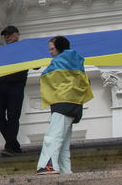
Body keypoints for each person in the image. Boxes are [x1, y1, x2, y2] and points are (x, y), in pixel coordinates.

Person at [36, 36, 93, 175]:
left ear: (59, 47)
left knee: (53, 135)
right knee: (64, 142)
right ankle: (65, 171)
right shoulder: (77, 61)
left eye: (52, 48)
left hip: (62, 103)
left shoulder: (60, 61)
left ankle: (48, 164)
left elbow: (46, 75)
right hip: (74, 104)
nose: (50, 52)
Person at [0, 26, 28, 154]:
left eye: (10, 34)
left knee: (13, 116)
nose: (7, 37)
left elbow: (36, 64)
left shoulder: (24, 49)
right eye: (5, 35)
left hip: (15, 86)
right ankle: (13, 144)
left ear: (18, 34)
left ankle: (11, 146)